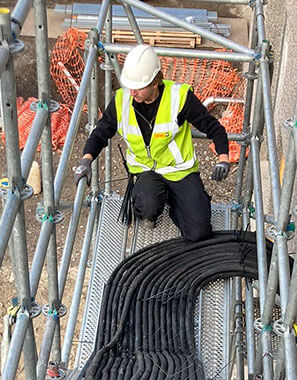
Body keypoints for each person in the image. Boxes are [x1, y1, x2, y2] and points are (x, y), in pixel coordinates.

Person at [74, 44, 231, 242]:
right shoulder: (121, 101)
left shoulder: (179, 98)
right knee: (147, 206)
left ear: (155, 81)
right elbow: (100, 133)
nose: (133, 92)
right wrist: (86, 160)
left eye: (139, 87)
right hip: (146, 170)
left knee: (198, 232)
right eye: (130, 86)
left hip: (179, 170)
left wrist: (223, 157)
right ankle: (156, 202)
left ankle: (178, 202)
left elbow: (213, 127)